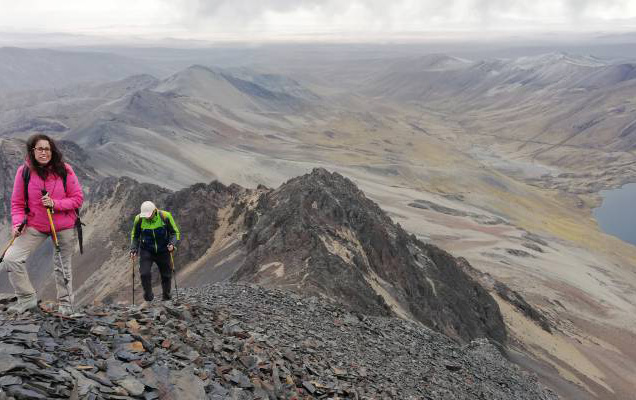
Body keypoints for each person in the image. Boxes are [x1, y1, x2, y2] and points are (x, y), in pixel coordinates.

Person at [4, 134, 83, 315]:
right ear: (32, 151)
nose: (44, 152)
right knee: (11, 259)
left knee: (62, 265)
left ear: (52, 151)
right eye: (39, 149)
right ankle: (27, 298)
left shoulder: (65, 170)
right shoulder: (24, 172)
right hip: (35, 225)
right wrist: (17, 223)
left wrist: (55, 204)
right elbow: (16, 204)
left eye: (47, 149)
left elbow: (77, 199)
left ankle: (66, 305)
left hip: (62, 225)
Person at [130, 201, 180, 303]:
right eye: (145, 216)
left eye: (149, 215)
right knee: (144, 273)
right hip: (146, 250)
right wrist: (133, 248)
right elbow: (135, 236)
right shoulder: (139, 219)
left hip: (163, 250)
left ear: (155, 210)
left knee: (166, 275)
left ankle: (166, 297)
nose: (147, 217)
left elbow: (175, 233)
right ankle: (148, 296)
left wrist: (172, 244)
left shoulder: (165, 216)